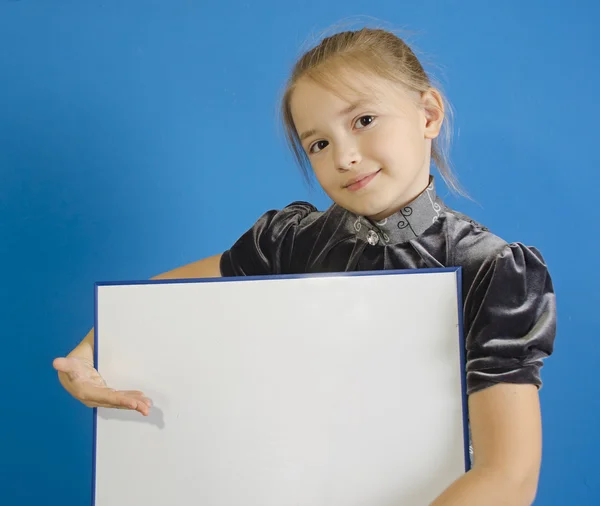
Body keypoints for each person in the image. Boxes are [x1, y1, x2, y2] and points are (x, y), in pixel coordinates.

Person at [53, 27, 556, 505]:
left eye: (363, 120)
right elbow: (153, 307)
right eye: (318, 143)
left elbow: (508, 478)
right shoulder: (290, 242)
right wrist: (88, 354)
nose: (344, 156)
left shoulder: (489, 269)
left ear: (428, 113)